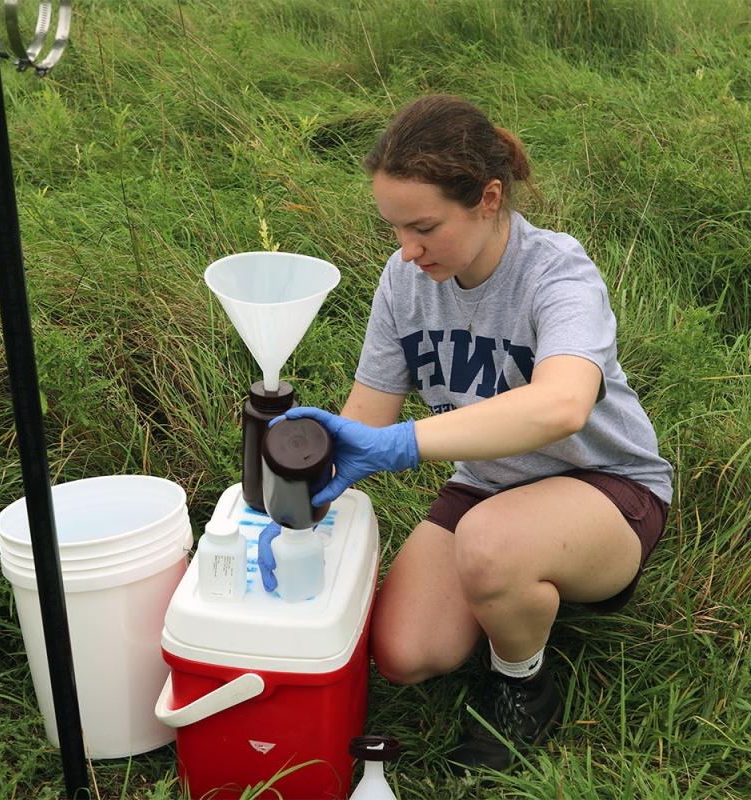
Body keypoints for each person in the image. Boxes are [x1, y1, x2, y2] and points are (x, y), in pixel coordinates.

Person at [273, 95, 674, 771]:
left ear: (489, 199)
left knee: (491, 545)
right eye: (394, 229)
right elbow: (367, 414)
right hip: (490, 487)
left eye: (424, 227)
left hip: (605, 489)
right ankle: (518, 591)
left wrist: (405, 445)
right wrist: (305, 477)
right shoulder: (406, 283)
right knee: (405, 653)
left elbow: (563, 407)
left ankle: (523, 682)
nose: (407, 250)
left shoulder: (558, 274)